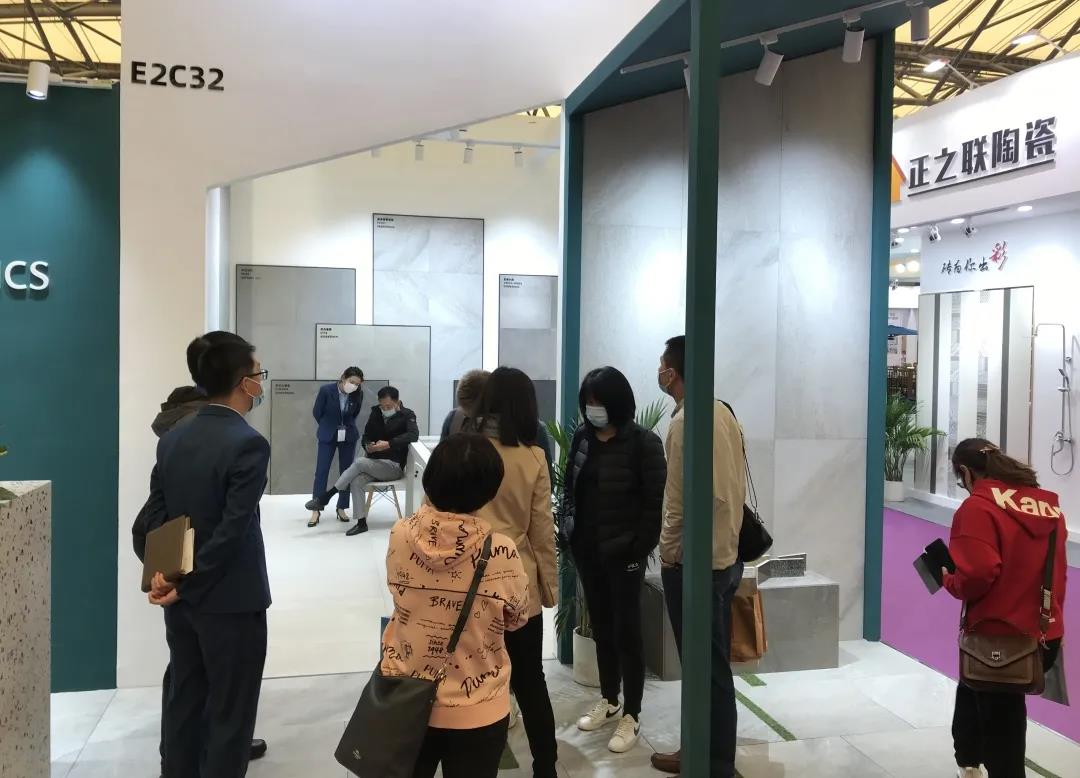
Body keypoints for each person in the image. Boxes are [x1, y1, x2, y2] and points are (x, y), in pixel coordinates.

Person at [131, 331, 267, 774]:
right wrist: (190, 583)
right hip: (230, 601)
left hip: (179, 599)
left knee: (184, 698)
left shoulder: (173, 437)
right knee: (231, 712)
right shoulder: (248, 442)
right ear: (244, 382)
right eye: (259, 374)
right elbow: (232, 531)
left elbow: (156, 514)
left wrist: (167, 577)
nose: (261, 383)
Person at [382, 433, 529, 778]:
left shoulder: (401, 534)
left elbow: (397, 590)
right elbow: (517, 617)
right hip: (478, 704)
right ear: (489, 491)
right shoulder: (501, 550)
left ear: (430, 479)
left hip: (405, 696)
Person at [651, 335, 745, 778]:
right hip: (727, 556)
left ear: (672, 372)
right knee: (714, 666)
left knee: (704, 668)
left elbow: (677, 501)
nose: (659, 371)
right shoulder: (724, 411)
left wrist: (669, 554)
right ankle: (709, 753)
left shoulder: (685, 422)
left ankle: (707, 759)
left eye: (662, 364)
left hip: (694, 563)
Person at [945, 439, 1067, 778]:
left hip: (999, 640)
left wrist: (949, 580)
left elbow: (977, 575)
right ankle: (967, 760)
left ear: (966, 472)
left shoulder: (977, 509)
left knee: (1003, 728)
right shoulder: (1047, 508)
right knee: (974, 687)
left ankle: (988, 767)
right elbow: (1059, 574)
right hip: (1043, 633)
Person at [565, 367, 666, 753]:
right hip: (588, 549)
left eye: (599, 402)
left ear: (617, 403)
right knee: (602, 628)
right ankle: (609, 700)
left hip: (624, 555)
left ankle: (632, 714)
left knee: (628, 631)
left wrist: (636, 547)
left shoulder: (644, 443)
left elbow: (654, 505)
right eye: (588, 402)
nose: (592, 409)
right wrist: (569, 530)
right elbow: (570, 488)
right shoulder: (582, 438)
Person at [473, 366, 560, 778]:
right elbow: (542, 531)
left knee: (475, 680)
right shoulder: (533, 457)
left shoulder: (463, 450)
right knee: (530, 681)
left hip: (466, 584)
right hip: (516, 584)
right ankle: (546, 767)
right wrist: (549, 589)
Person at [307, 385, 419, 536]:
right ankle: (361, 523)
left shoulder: (407, 414)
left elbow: (413, 435)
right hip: (373, 463)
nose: (385, 409)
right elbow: (366, 436)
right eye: (382, 406)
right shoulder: (376, 412)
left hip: (393, 466)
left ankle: (327, 496)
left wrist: (388, 444)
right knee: (356, 481)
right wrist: (368, 446)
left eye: (388, 406)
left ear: (397, 402)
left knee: (359, 462)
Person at [441, 368, 555, 481]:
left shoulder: (454, 421)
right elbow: (546, 483)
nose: (478, 421)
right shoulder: (534, 434)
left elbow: (440, 474)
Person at [307, 366, 366, 528]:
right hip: (328, 434)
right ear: (343, 378)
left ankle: (342, 507)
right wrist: (329, 425)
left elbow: (355, 413)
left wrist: (345, 425)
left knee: (346, 472)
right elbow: (317, 412)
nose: (354, 386)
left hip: (348, 435)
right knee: (322, 471)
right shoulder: (326, 391)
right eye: (352, 382)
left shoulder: (358, 393)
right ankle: (316, 508)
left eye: (357, 384)